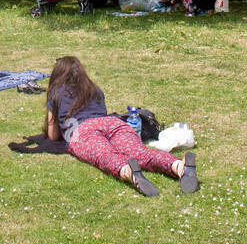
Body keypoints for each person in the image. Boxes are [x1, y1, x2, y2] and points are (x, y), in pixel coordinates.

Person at [44, 56, 197, 195]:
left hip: (84, 130)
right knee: (139, 152)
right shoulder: (94, 89)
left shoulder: (56, 92)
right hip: (113, 123)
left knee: (105, 155)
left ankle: (129, 172)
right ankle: (178, 166)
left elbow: (53, 135)